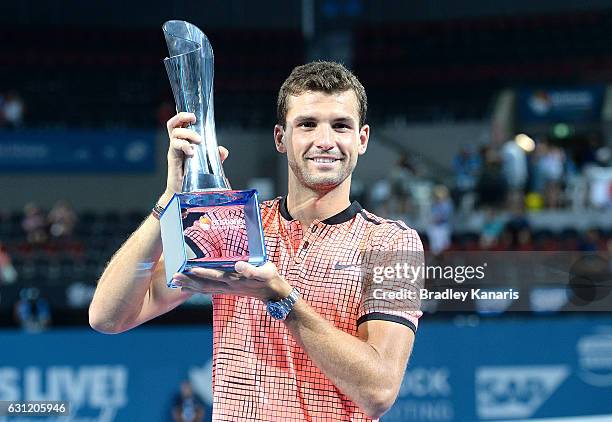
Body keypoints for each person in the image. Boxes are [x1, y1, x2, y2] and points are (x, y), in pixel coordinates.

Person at [89, 61, 423, 421]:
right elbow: (108, 316)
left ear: (362, 139)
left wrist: (280, 297)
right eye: (307, 124)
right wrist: (170, 199)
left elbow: (378, 391)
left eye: (340, 126)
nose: (324, 141)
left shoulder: (391, 243)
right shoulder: (236, 225)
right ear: (281, 137)